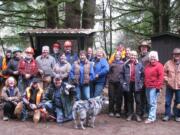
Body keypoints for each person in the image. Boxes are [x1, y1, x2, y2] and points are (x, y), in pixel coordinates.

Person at [120, 51, 144, 122]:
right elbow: (121, 75)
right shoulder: (125, 64)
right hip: (128, 84)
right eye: (132, 55)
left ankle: (138, 115)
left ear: (136, 56)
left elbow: (143, 76)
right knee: (129, 100)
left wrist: (141, 84)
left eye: (134, 55)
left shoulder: (140, 65)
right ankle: (130, 114)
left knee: (138, 100)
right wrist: (123, 83)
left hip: (137, 84)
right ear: (129, 56)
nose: (133, 57)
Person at [144, 51, 164, 124]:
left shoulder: (159, 66)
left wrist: (158, 87)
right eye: (151, 56)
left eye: (154, 56)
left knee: (152, 103)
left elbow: (161, 78)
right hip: (147, 86)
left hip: (154, 87)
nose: (152, 58)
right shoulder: (147, 65)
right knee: (149, 102)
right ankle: (151, 115)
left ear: (156, 57)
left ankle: (151, 118)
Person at [162, 48, 180, 122]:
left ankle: (177, 115)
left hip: (179, 86)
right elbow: (164, 73)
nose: (177, 55)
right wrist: (166, 79)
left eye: (178, 54)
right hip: (169, 86)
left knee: (178, 102)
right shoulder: (168, 63)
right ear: (173, 55)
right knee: (167, 101)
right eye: (175, 54)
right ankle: (167, 115)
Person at [107, 51, 124, 118]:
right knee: (111, 97)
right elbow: (108, 73)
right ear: (114, 56)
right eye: (116, 55)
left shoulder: (123, 64)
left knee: (119, 97)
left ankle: (118, 111)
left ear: (120, 56)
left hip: (119, 83)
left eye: (118, 55)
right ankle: (111, 111)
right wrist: (108, 81)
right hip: (111, 83)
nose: (117, 56)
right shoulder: (111, 64)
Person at [138, 40, 151, 118]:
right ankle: (142, 111)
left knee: (147, 96)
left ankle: (147, 112)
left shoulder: (150, 56)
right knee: (141, 96)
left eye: (145, 47)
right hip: (140, 80)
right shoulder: (139, 57)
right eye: (142, 47)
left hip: (147, 79)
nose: (143, 48)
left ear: (147, 48)